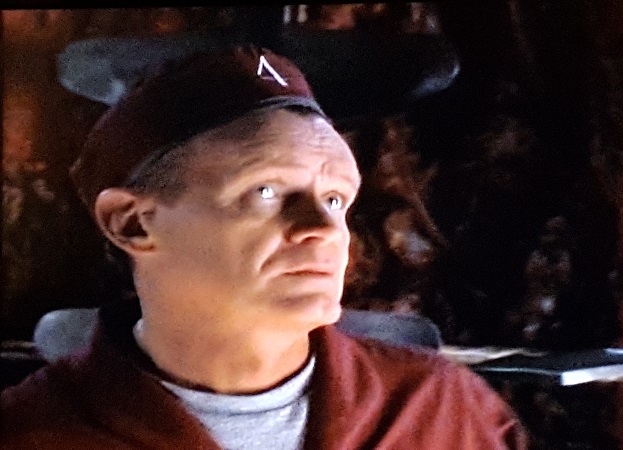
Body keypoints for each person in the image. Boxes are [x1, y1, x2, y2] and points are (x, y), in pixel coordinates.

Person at [0, 46, 529, 449]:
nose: (324, 229)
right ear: (133, 223)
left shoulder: (444, 412)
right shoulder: (31, 432)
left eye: (336, 198)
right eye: (266, 191)